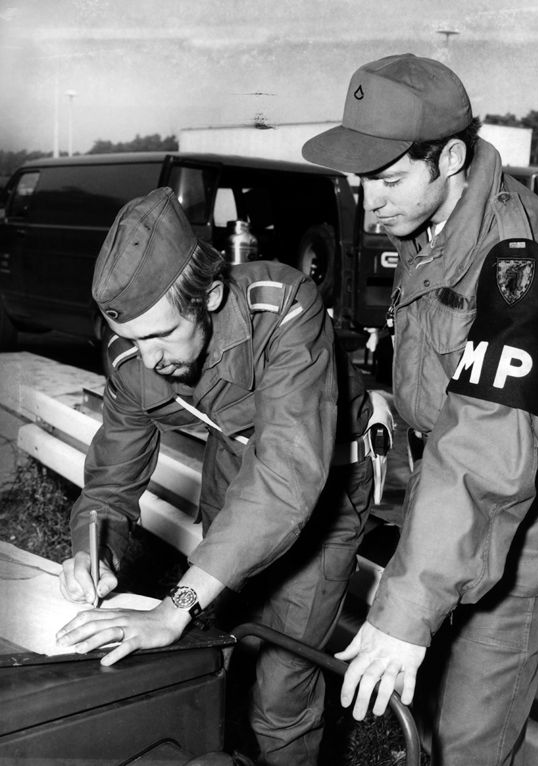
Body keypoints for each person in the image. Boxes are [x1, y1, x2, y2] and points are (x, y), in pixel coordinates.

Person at [302, 53, 538, 764]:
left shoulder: (519, 260)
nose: (368, 203)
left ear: (453, 157)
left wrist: (406, 612)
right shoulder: (434, 224)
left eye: (389, 180)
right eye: (360, 181)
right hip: (446, 519)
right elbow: (441, 364)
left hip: (511, 532)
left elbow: (489, 443)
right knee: (427, 733)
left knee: (467, 748)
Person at [56, 187, 376, 766]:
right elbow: (110, 483)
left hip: (323, 483)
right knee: (215, 655)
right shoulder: (133, 360)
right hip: (234, 473)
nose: (147, 359)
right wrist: (90, 547)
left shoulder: (284, 308)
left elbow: (285, 478)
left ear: (212, 295)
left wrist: (173, 605)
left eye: (159, 336)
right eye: (132, 340)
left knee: (281, 690)